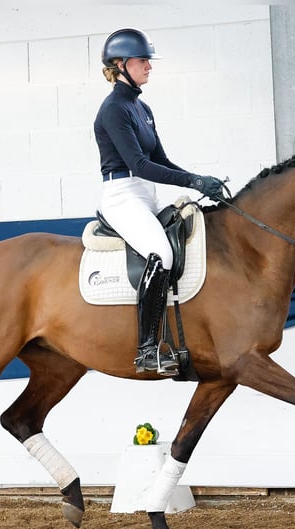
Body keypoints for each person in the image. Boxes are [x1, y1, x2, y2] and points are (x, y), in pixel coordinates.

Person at [93, 28, 225, 375]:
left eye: (148, 60)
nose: (149, 66)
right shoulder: (113, 110)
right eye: (142, 60)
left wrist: (201, 181)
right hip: (122, 196)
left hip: (144, 194)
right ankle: (146, 349)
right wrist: (193, 180)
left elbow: (162, 161)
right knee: (162, 254)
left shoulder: (142, 107)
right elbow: (138, 164)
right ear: (120, 65)